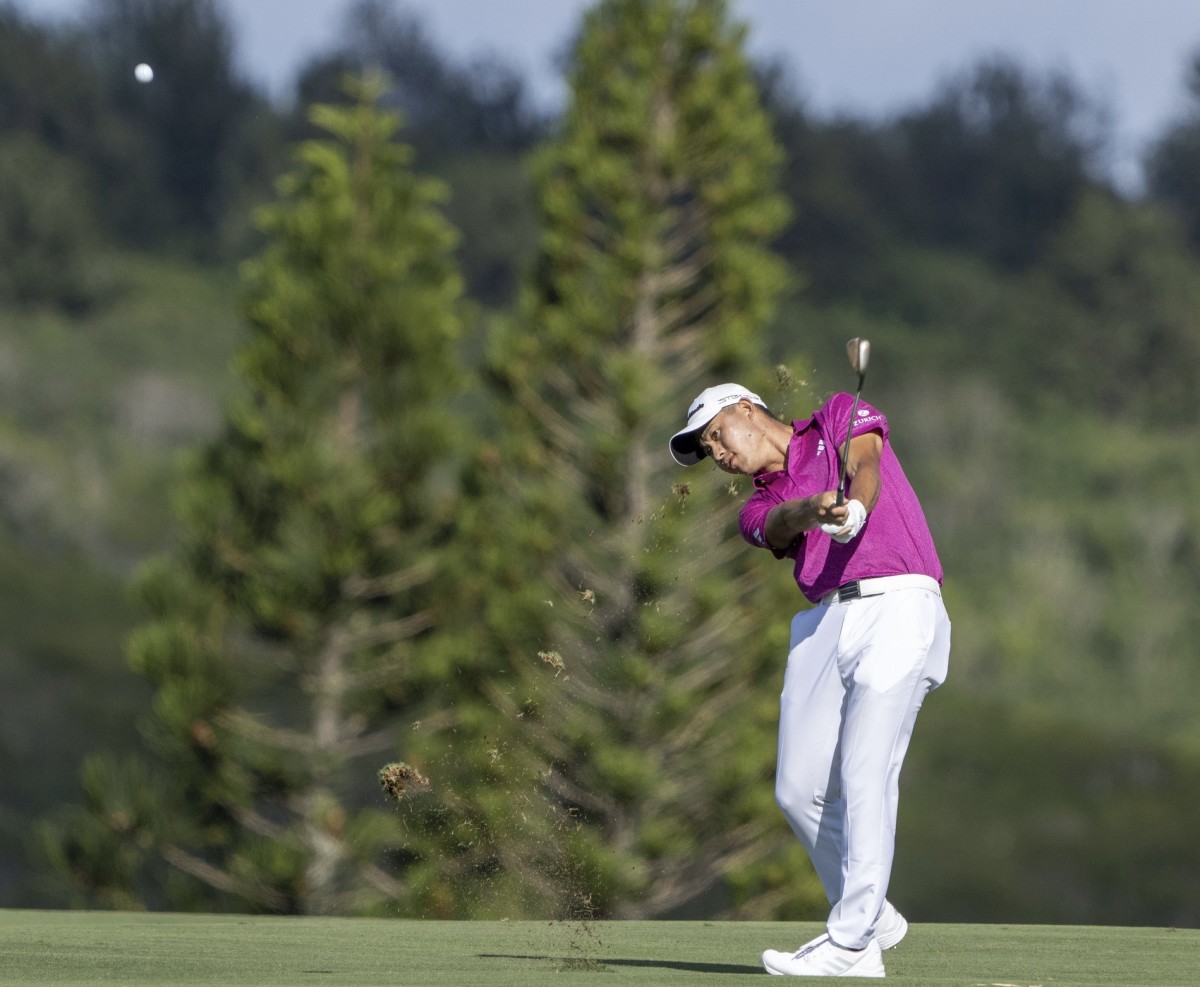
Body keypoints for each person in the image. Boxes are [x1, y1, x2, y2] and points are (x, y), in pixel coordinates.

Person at [669, 382, 950, 979]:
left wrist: (858, 508)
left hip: (898, 602)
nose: (717, 453)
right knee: (796, 789)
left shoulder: (835, 416)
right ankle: (876, 920)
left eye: (717, 434)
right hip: (825, 622)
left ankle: (851, 943)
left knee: (865, 769)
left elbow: (863, 461)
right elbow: (778, 524)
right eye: (706, 449)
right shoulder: (754, 504)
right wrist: (819, 509)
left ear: (746, 408)